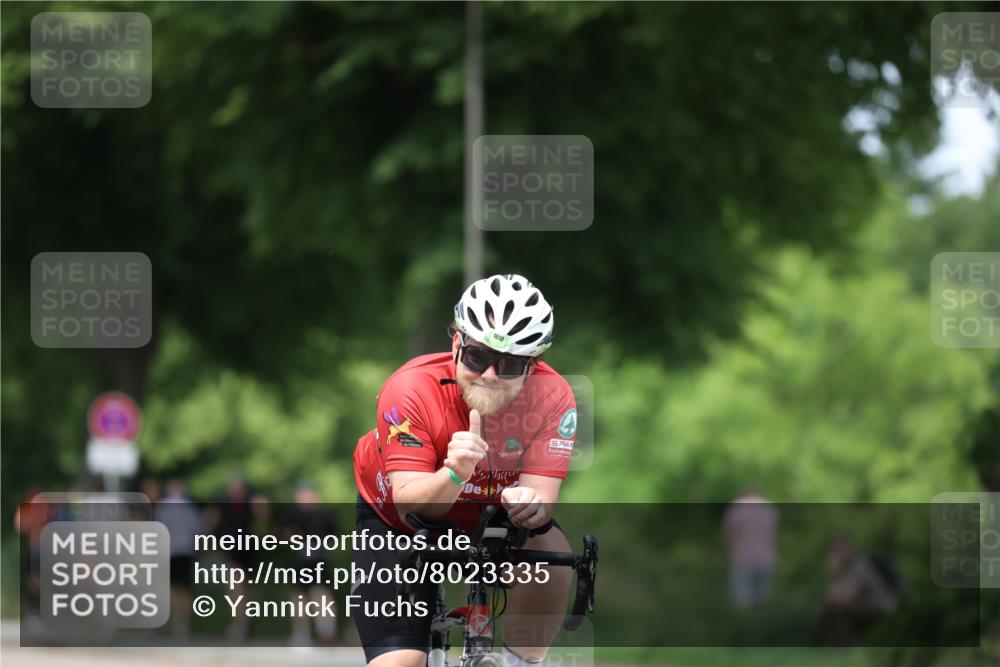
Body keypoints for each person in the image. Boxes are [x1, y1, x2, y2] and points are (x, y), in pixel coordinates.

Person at [353, 274, 577, 667]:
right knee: (400, 663)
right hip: (399, 521)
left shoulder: (553, 395)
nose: (490, 374)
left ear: (531, 367)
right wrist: (454, 474)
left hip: (490, 517)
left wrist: (530, 505)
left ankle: (519, 662)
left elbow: (542, 500)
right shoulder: (411, 388)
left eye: (509, 364)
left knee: (553, 553)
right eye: (477, 356)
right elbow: (411, 503)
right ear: (457, 344)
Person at [817, 534, 902, 646]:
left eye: (841, 550)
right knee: (827, 611)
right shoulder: (845, 571)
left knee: (831, 610)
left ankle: (846, 649)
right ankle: (842, 649)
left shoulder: (861, 566)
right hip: (868, 611)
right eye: (835, 551)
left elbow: (848, 596)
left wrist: (829, 601)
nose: (838, 555)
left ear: (850, 549)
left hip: (881, 611)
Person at [285, 482, 338, 646]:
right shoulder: (294, 515)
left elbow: (333, 538)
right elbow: (286, 535)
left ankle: (327, 632)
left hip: (319, 559)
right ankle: (301, 634)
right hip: (301, 559)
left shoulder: (323, 514)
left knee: (321, 594)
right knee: (299, 597)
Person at [153, 479, 205, 641]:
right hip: (186, 551)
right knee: (184, 589)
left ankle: (171, 620)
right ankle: (182, 622)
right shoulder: (191, 508)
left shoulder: (163, 507)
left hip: (169, 551)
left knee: (170, 587)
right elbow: (200, 533)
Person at [721, 487, 779, 608]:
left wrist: (730, 552)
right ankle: (760, 624)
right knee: (762, 599)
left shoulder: (737, 508)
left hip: (742, 558)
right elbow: (773, 535)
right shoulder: (769, 509)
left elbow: (729, 534)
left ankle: (744, 625)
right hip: (766, 558)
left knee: (742, 601)